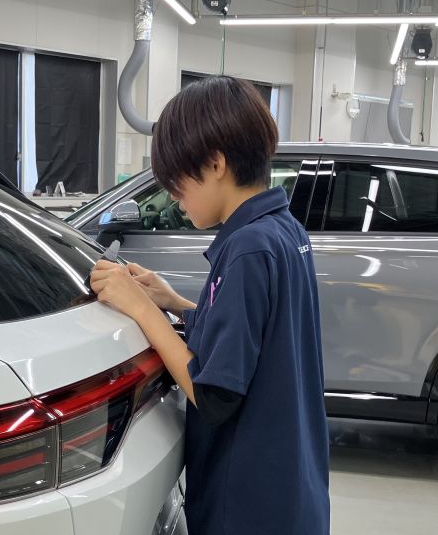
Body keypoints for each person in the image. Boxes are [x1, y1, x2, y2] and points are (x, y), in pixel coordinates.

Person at [90, 76, 330, 535]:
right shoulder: (283, 230)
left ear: (216, 163)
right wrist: (173, 301)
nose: (175, 199)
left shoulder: (246, 248)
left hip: (247, 503)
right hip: (289, 486)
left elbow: (214, 395)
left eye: (178, 184)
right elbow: (259, 336)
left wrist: (142, 309)